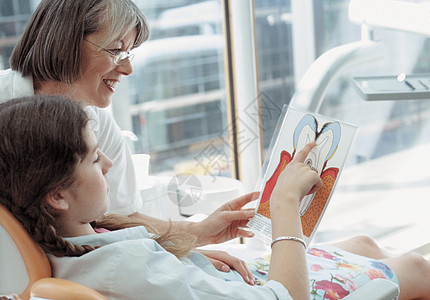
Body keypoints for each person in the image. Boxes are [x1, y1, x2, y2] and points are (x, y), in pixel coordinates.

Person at [1, 96, 430, 300]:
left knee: (365, 244)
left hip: (233, 283)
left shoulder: (65, 237)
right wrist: (286, 205)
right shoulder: (125, 270)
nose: (109, 166)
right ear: (58, 194)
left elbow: (132, 260)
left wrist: (195, 238)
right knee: (414, 268)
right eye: (95, 159)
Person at [0, 0, 258, 277]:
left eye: (129, 53)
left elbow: (115, 220)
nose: (127, 69)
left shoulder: (96, 123)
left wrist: (191, 238)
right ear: (66, 44)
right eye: (115, 50)